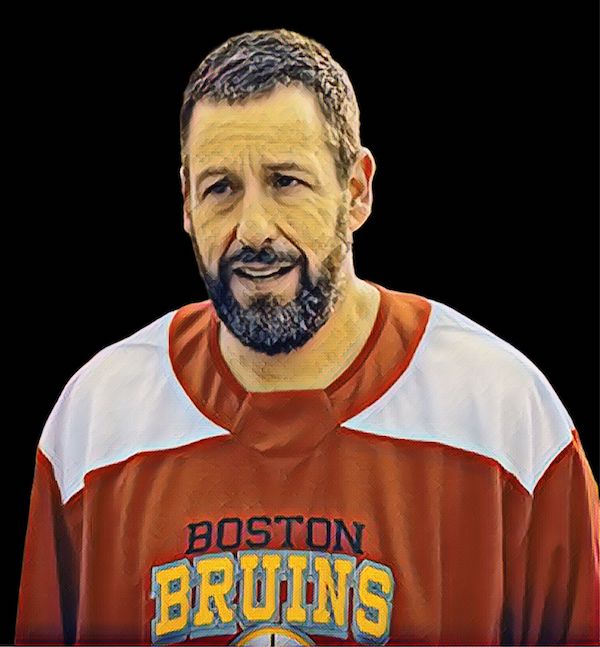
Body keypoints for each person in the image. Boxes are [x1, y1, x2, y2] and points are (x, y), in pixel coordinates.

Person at [15, 28, 599, 646]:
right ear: (186, 202)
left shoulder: (503, 416)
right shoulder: (97, 423)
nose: (253, 229)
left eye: (286, 181)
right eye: (221, 188)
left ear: (357, 191)